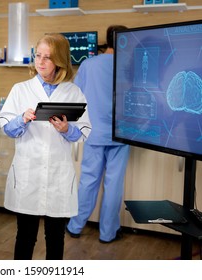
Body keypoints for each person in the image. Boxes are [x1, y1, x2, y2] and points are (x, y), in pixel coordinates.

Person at [0, 33, 91, 260]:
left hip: (58, 174)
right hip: (29, 171)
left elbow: (84, 131)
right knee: (25, 235)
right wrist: (22, 119)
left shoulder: (73, 92)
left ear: (59, 60)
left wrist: (66, 129)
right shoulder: (21, 90)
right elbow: (6, 128)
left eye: (47, 57)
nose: (40, 62)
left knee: (56, 236)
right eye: (38, 56)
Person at [66, 25, 130, 243]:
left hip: (94, 134)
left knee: (88, 181)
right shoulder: (129, 67)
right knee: (113, 185)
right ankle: (108, 233)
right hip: (122, 135)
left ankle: (75, 226)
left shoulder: (88, 64)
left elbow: (76, 95)